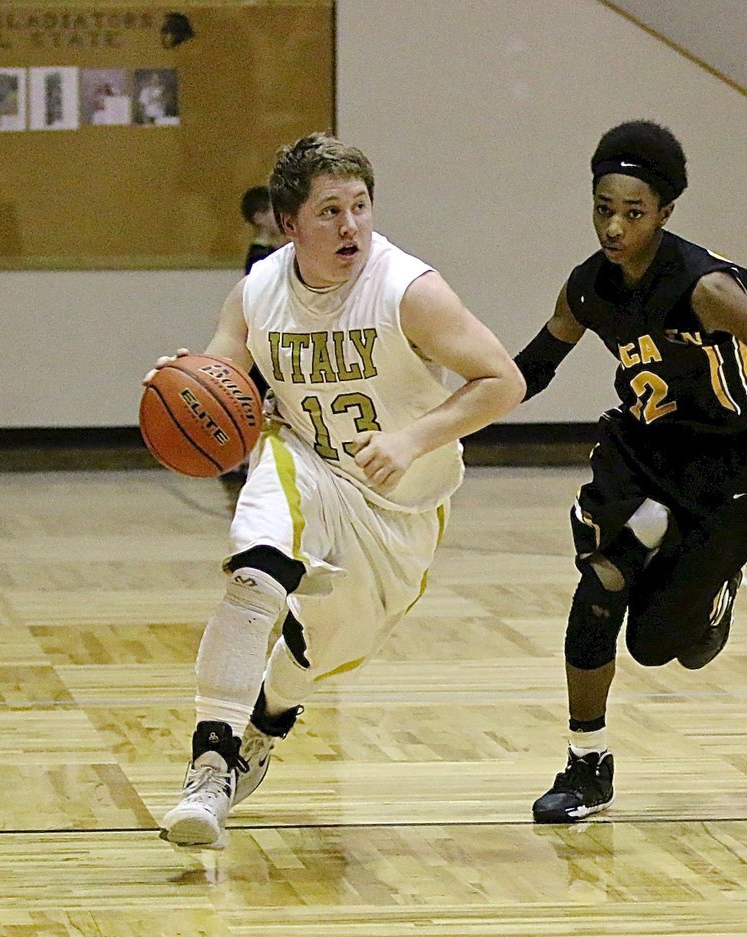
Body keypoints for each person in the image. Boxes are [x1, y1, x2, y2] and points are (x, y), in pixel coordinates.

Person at [152, 132, 525, 849]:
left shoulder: (408, 290)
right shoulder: (258, 292)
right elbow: (222, 377)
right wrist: (184, 377)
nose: (350, 225)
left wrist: (413, 437)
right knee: (256, 574)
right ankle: (209, 765)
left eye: (360, 206)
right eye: (329, 212)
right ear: (288, 225)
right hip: (305, 460)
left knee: (319, 651)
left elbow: (503, 380)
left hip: (401, 500)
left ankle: (266, 725)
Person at [514, 120, 747, 824]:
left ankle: (712, 595)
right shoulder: (587, 288)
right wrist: (432, 420)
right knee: (600, 586)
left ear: (664, 213)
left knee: (659, 647)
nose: (614, 228)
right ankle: (586, 763)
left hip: (730, 471)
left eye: (633, 212)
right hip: (644, 452)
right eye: (603, 209)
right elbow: (530, 370)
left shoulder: (705, 289)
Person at [217, 185, 288, 511]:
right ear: (260, 217)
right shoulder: (261, 255)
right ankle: (239, 457)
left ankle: (246, 458)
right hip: (260, 338)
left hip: (270, 336)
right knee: (254, 399)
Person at [240, 184, 286, 274]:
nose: (281, 216)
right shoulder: (259, 258)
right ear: (259, 218)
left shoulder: (271, 252)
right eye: (275, 211)